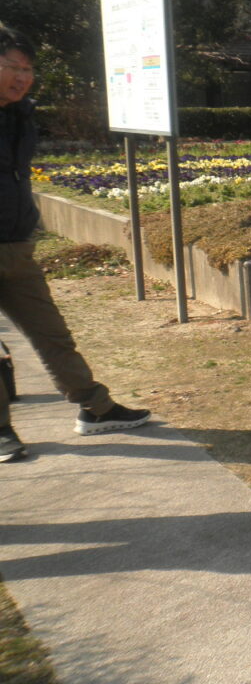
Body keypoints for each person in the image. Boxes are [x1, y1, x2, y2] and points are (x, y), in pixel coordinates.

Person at [0, 26, 150, 463]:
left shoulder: (20, 114)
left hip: (16, 246)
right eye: (13, 66)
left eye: (28, 69)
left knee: (52, 334)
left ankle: (96, 408)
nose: (22, 77)